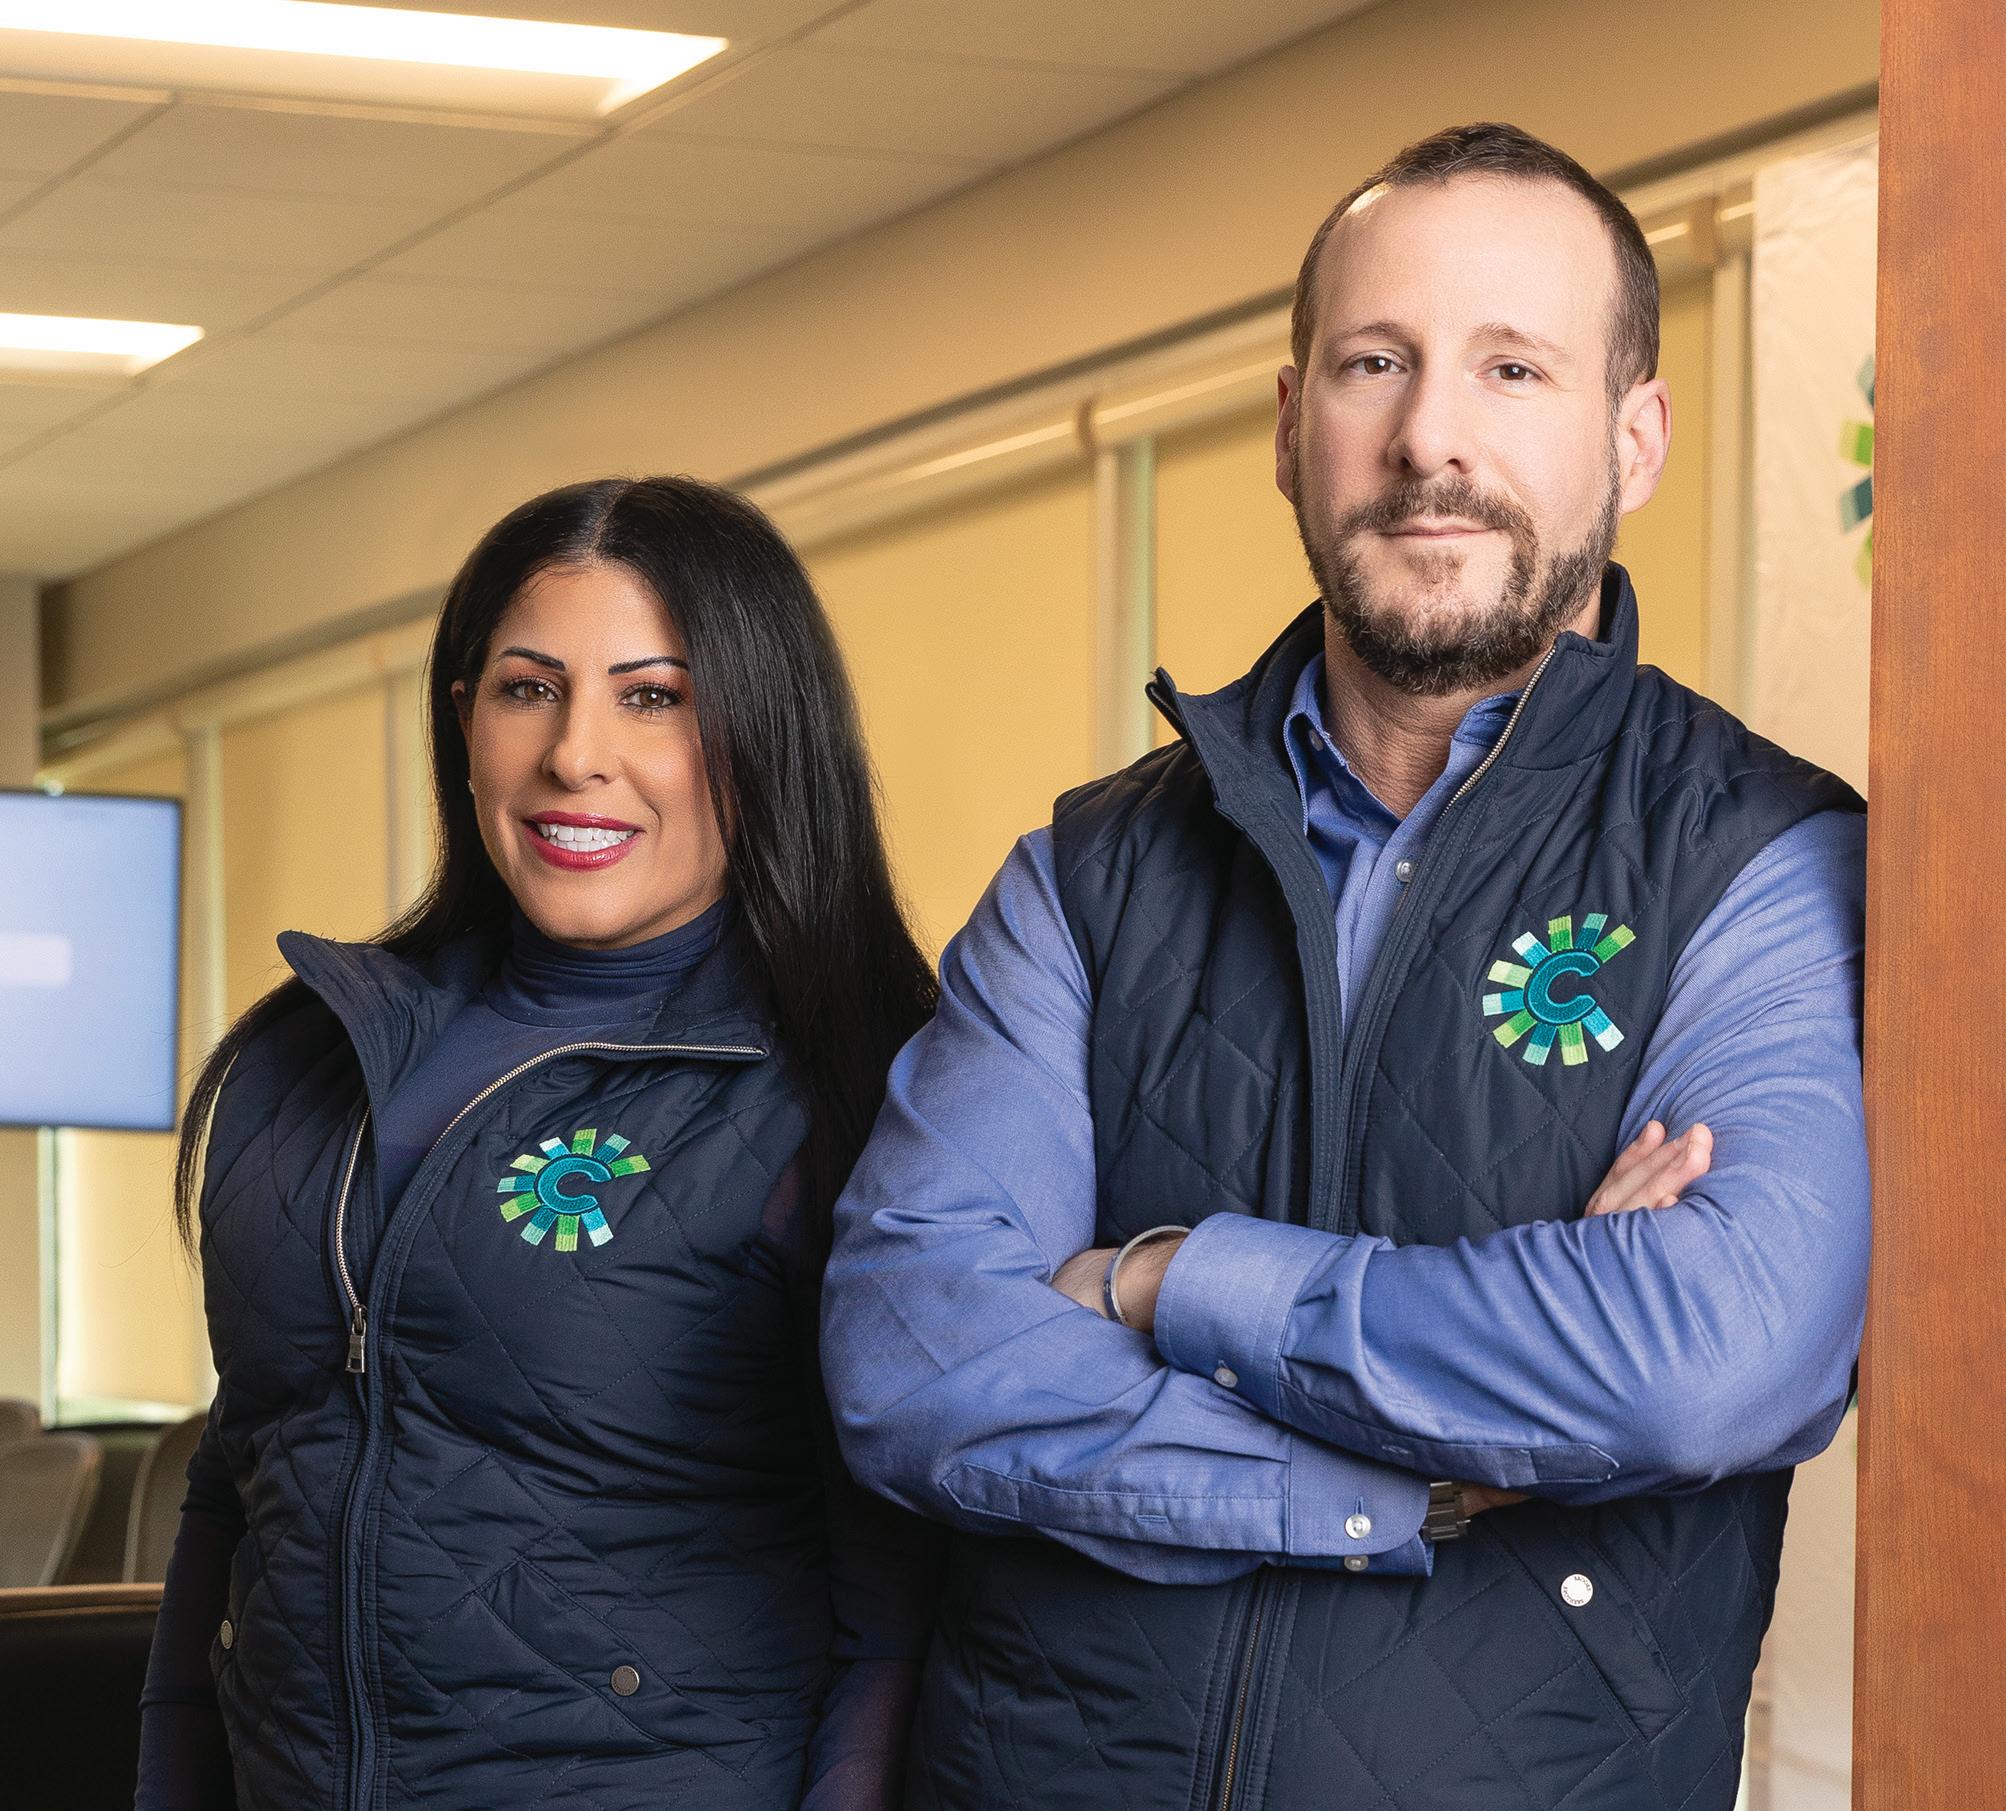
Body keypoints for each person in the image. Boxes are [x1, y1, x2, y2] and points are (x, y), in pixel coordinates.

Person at [821, 122, 1868, 1811]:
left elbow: (1701, 1360)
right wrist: (1410, 1486)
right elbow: (910, 1361)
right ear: (1287, 422)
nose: (1428, 436)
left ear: (1634, 436)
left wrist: (1165, 1283)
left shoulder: (1758, 857)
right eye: (1373, 362)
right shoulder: (1083, 878)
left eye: (1511, 369)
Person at [140, 476, 941, 1811]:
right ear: (464, 720)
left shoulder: (850, 1095)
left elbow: (898, 1612)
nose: (576, 754)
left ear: (761, 733)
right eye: (527, 689)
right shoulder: (310, 1055)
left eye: (654, 698)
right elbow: (235, 1498)